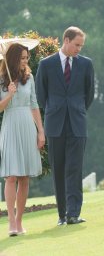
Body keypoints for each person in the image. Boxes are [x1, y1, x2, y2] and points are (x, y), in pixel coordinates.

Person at [36, 26, 94, 225]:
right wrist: (55, 110)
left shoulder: (86, 64)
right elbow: (41, 96)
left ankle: (73, 214)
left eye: (81, 46)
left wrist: (76, 109)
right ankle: (62, 215)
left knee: (74, 168)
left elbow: (89, 94)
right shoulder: (46, 64)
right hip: (55, 124)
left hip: (77, 123)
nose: (79, 49)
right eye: (77, 45)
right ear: (66, 40)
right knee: (59, 169)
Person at [0, 43, 45, 236]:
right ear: (12, 59)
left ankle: (19, 222)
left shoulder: (30, 78)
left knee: (24, 177)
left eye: (26, 57)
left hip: (27, 126)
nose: (25, 61)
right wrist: (9, 94)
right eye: (22, 58)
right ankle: (10, 223)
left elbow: (34, 105)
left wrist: (40, 132)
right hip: (10, 125)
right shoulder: (2, 79)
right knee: (11, 176)